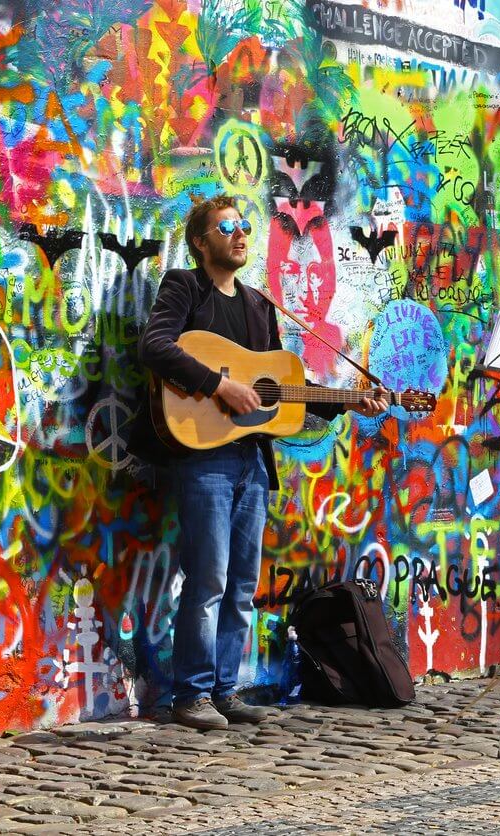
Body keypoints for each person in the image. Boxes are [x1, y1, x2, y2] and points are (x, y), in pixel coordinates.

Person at [134, 194, 387, 730]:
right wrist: (219, 384)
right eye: (226, 227)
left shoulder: (258, 305)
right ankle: (191, 695)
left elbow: (283, 389)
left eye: (245, 225)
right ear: (202, 242)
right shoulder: (185, 287)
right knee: (208, 579)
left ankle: (226, 689)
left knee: (243, 582)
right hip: (203, 457)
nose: (241, 233)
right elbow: (154, 346)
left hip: (251, 460)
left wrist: (348, 401)